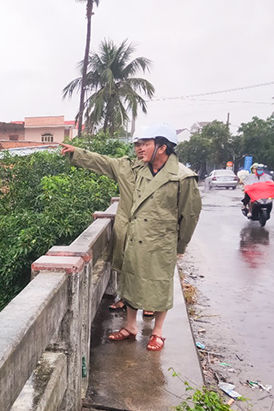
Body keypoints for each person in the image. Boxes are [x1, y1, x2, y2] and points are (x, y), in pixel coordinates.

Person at [59, 123, 202, 351]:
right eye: (137, 144)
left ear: (163, 147)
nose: (139, 148)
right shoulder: (130, 169)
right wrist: (77, 153)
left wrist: (180, 244)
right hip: (133, 239)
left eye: (145, 144)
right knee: (130, 281)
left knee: (160, 285)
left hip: (161, 241)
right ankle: (130, 326)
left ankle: (157, 332)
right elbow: (103, 162)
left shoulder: (182, 177)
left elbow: (190, 214)